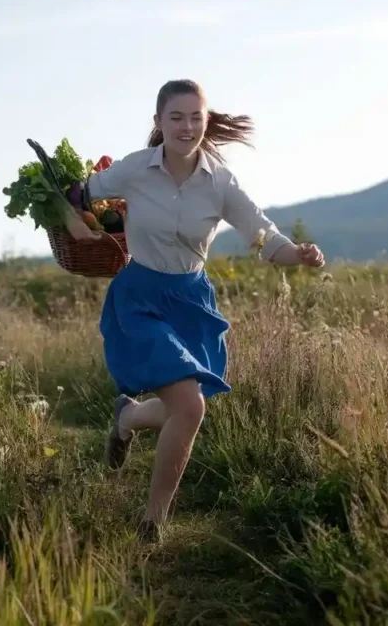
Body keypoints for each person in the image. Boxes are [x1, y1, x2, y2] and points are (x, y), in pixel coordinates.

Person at [84, 79, 325, 544]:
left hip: (190, 301)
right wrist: (77, 215)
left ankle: (127, 419)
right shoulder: (133, 170)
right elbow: (82, 194)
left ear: (206, 121)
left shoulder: (220, 182)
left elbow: (261, 234)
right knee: (190, 407)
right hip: (140, 297)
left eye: (196, 117)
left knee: (183, 406)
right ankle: (152, 524)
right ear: (158, 123)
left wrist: (298, 253)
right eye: (176, 117)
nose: (187, 126)